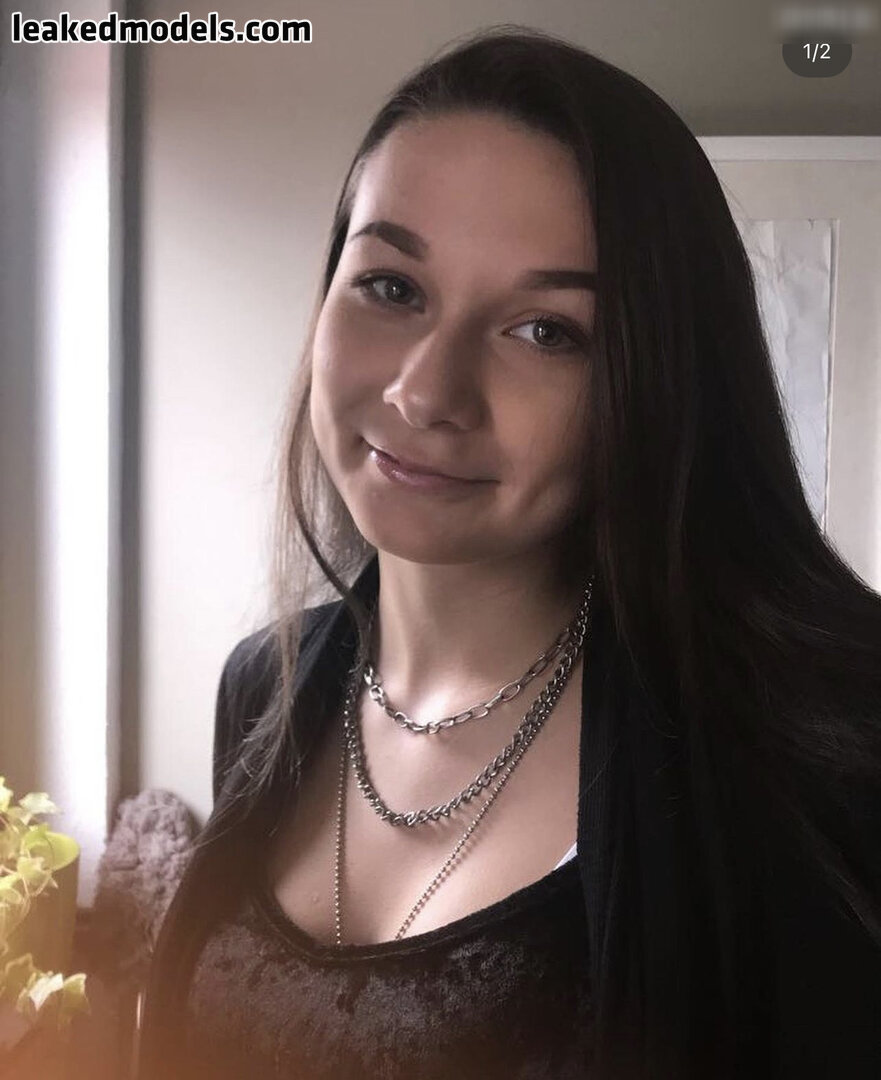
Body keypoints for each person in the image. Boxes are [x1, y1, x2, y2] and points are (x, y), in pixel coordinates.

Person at [135, 25, 881, 1080]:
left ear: (655, 381)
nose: (425, 393)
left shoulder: (807, 749)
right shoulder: (262, 685)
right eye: (392, 288)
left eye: (544, 331)